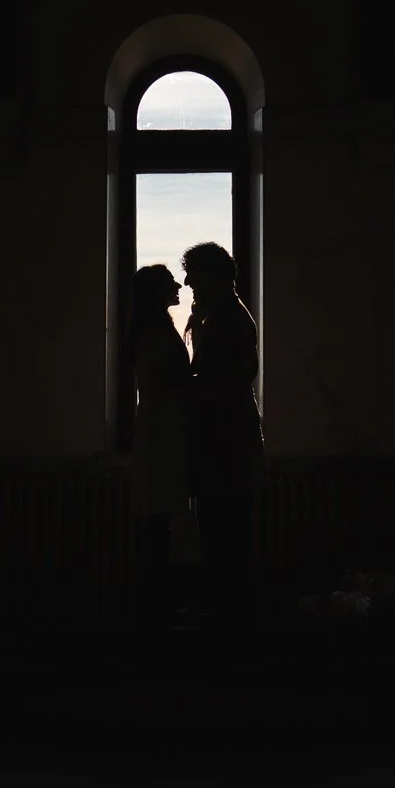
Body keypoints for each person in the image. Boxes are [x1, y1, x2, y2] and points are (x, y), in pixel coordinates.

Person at [181, 242, 264, 624]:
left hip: (225, 442)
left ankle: (230, 612)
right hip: (227, 440)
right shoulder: (227, 315)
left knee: (223, 530)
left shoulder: (228, 319)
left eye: (194, 274)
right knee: (225, 528)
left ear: (213, 276)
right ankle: (231, 609)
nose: (187, 282)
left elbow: (217, 379)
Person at [128, 264, 191, 629]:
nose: (179, 284)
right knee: (157, 521)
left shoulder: (149, 332)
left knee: (156, 520)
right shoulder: (156, 335)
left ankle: (155, 605)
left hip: (160, 431)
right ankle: (156, 608)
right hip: (162, 434)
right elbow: (172, 383)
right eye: (170, 281)